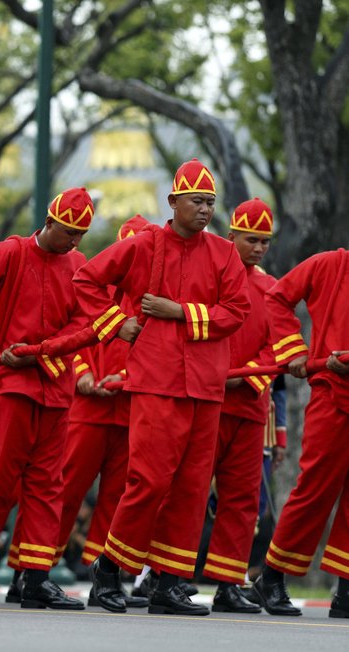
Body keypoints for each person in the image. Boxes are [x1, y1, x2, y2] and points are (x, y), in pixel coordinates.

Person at [75, 159, 250, 616]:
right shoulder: (145, 244)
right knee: (148, 481)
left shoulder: (224, 253)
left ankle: (169, 583)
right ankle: (109, 570)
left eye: (211, 202)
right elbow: (87, 281)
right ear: (172, 202)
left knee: (192, 487)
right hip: (157, 381)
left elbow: (236, 311)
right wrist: (120, 324)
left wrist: (180, 311)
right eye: (197, 201)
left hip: (206, 386)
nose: (206, 209)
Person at [0, 187, 92, 611]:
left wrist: (50, 350)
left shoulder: (78, 264)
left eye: (80, 234)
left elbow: (85, 319)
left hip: (56, 388)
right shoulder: (9, 253)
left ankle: (34, 576)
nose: (74, 243)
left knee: (49, 488)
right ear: (48, 223)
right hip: (13, 388)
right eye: (68, 232)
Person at [53, 215, 149, 610]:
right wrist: (82, 374)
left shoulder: (147, 301)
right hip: (89, 408)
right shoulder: (97, 292)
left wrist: (126, 379)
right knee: (68, 488)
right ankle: (38, 564)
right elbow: (75, 337)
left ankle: (101, 574)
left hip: (128, 409)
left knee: (115, 495)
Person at [252, 248, 349, 619]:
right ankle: (272, 577)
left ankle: (346, 590)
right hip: (332, 388)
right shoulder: (330, 263)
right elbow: (277, 297)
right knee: (315, 488)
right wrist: (292, 348)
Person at [199, 198, 277, 613]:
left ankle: (229, 583)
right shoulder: (210, 276)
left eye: (265, 241)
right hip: (207, 402)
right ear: (231, 237)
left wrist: (252, 373)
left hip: (249, 406)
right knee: (189, 491)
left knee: (243, 499)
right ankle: (159, 576)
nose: (260, 248)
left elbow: (278, 344)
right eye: (252, 239)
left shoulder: (270, 288)